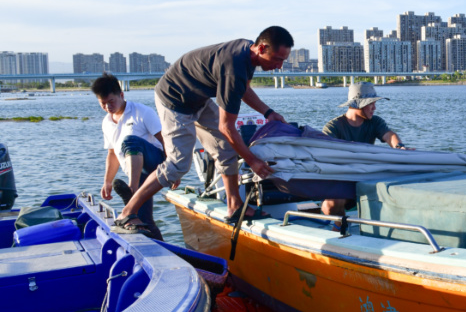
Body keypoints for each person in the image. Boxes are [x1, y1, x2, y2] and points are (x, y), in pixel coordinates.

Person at [116, 26, 293, 228]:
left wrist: (268, 113)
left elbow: (243, 88)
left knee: (226, 148)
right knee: (178, 165)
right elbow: (227, 126)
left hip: (197, 98)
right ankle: (127, 213)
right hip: (174, 99)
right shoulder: (234, 65)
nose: (279, 66)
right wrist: (252, 161)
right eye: (278, 59)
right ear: (261, 48)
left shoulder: (247, 52)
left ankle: (234, 206)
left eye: (283, 60)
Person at [93, 73, 166, 240]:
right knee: (143, 219)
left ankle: (131, 191)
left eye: (111, 102)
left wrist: (173, 170)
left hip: (156, 163)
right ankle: (166, 251)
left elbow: (165, 140)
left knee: (131, 141)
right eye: (102, 104)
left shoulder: (142, 112)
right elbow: (112, 154)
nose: (107, 107)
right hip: (137, 172)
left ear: (121, 95)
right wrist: (107, 181)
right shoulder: (106, 122)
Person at [321, 81, 410, 215]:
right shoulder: (333, 127)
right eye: (371, 103)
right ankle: (339, 227)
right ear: (357, 103)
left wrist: (400, 147)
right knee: (332, 204)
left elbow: (389, 135)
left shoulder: (375, 122)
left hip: (367, 174)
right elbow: (324, 151)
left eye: (375, 103)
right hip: (342, 176)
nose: (374, 108)